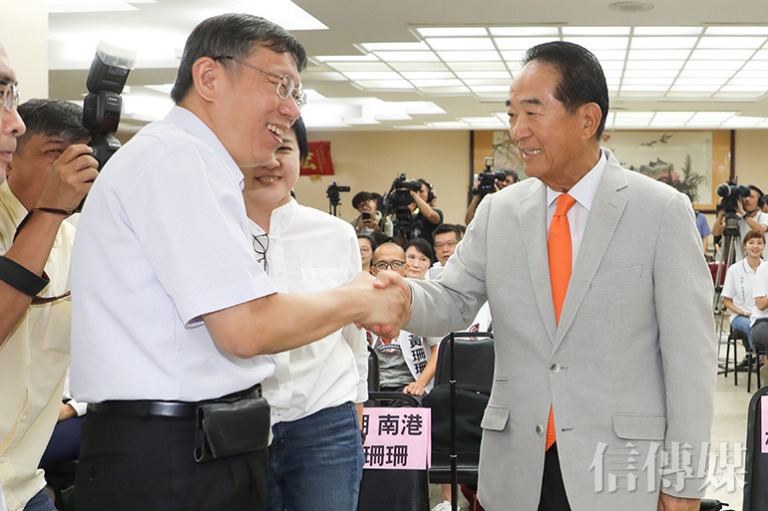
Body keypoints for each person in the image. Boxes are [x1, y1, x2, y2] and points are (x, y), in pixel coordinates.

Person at [69, 14, 407, 511]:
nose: (291, 108)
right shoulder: (175, 159)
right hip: (171, 455)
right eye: (279, 84)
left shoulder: (198, 165)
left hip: (201, 443)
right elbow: (246, 326)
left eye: (297, 93)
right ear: (209, 78)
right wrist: (360, 300)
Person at [374, 41, 716, 511]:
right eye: (512, 115)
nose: (518, 131)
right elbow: (452, 299)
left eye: (532, 113)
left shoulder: (659, 211)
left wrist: (684, 482)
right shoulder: (499, 212)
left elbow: (691, 360)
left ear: (588, 119)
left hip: (618, 471)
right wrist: (399, 298)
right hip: (518, 468)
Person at [242, 118, 367, 511]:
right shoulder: (213, 235)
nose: (270, 161)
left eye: (283, 149)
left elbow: (353, 331)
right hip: (237, 426)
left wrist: (359, 403)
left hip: (325, 421)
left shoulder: (335, 234)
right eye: (258, 148)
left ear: (301, 157)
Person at [0, 95, 98, 511]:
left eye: (81, 157)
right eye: (55, 154)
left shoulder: (80, 244)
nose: (69, 170)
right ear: (12, 157)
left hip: (23, 482)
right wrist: (52, 209)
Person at [369, 242, 439, 399]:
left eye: (395, 264)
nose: (389, 270)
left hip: (409, 385)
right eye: (382, 265)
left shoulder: (422, 302)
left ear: (405, 267)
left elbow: (438, 350)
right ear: (373, 270)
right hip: (371, 386)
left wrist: (420, 384)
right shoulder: (364, 303)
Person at [721, 230, 765, 369]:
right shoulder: (734, 270)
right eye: (751, 243)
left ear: (764, 246)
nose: (755, 246)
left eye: (759, 243)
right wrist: (741, 311)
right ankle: (760, 358)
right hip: (740, 316)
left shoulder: (765, 268)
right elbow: (726, 300)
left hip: (763, 316)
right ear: (744, 246)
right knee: (751, 325)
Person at [712, 184, 768, 260]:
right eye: (745, 197)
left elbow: (760, 230)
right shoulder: (740, 220)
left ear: (760, 202)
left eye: (751, 197)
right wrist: (721, 212)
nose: (747, 199)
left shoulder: (765, 217)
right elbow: (716, 232)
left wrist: (742, 212)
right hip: (741, 263)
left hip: (763, 263)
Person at [409, 179, 443, 244]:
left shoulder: (437, 213)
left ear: (429, 195)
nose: (418, 194)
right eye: (416, 191)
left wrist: (414, 194)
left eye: (421, 191)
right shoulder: (413, 217)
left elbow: (430, 215)